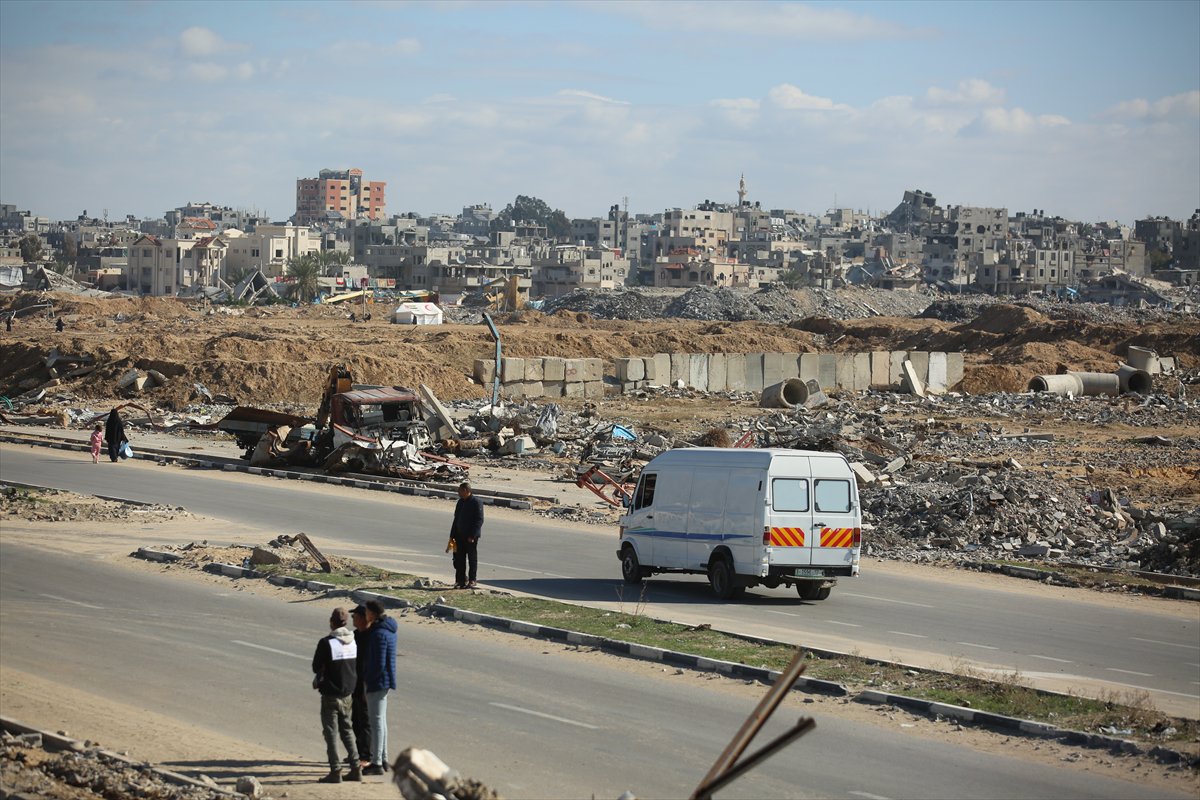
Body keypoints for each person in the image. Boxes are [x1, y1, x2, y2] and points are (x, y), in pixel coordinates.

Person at [311, 607, 362, 784]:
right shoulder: (353, 641)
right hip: (348, 693)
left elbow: (316, 666)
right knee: (347, 730)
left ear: (332, 622)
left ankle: (335, 771)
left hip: (330, 694)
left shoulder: (327, 643)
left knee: (331, 733)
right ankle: (356, 767)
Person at [361, 599, 396, 776]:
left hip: (378, 682)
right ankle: (383, 758)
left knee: (376, 722)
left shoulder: (379, 633)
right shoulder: (387, 629)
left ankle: (376, 762)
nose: (364, 615)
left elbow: (379, 662)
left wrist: (368, 682)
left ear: (373, 614)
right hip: (384, 681)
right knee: (380, 720)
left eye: (366, 612)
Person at [349, 605, 372, 767]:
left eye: (355, 616)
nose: (352, 619)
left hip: (366, 685)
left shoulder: (371, 637)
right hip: (355, 684)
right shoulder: (356, 635)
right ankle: (359, 752)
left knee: (365, 721)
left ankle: (366, 756)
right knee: (355, 720)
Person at [450, 481, 484, 589]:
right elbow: (456, 519)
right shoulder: (460, 502)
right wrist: (452, 535)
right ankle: (460, 580)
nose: (458, 493)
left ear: (466, 491)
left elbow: (479, 520)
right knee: (459, 559)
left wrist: (472, 535)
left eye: (460, 491)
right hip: (459, 536)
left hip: (470, 538)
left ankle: (472, 580)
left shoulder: (476, 502)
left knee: (472, 559)